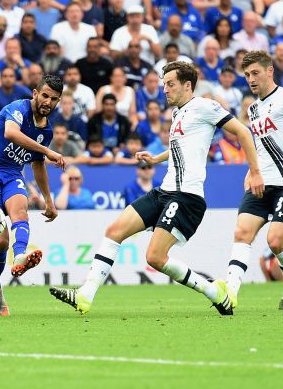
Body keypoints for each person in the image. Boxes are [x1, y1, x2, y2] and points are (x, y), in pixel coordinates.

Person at [50, 60, 264, 315]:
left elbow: (243, 132)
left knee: (155, 258)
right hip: (164, 191)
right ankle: (84, 296)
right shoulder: (177, 113)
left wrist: (255, 171)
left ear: (187, 85)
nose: (165, 89)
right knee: (114, 230)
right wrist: (157, 158)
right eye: (163, 85)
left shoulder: (206, 106)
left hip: (186, 196)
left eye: (170, 84)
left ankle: (214, 292)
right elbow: (180, 147)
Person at [224, 50, 283, 313]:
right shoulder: (252, 108)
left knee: (276, 241)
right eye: (246, 75)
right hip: (261, 181)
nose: (251, 79)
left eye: (255, 73)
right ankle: (229, 294)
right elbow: (258, 145)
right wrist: (251, 170)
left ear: (269, 71)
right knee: (242, 233)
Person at [0, 74, 66, 316]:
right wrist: (46, 151)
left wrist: (49, 201)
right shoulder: (17, 108)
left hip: (11, 174)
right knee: (0, 240)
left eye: (53, 99)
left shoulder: (46, 131)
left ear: (58, 101)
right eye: (44, 96)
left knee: (21, 209)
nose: (47, 102)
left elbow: (37, 165)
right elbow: (11, 133)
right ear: (35, 93)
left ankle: (20, 256)